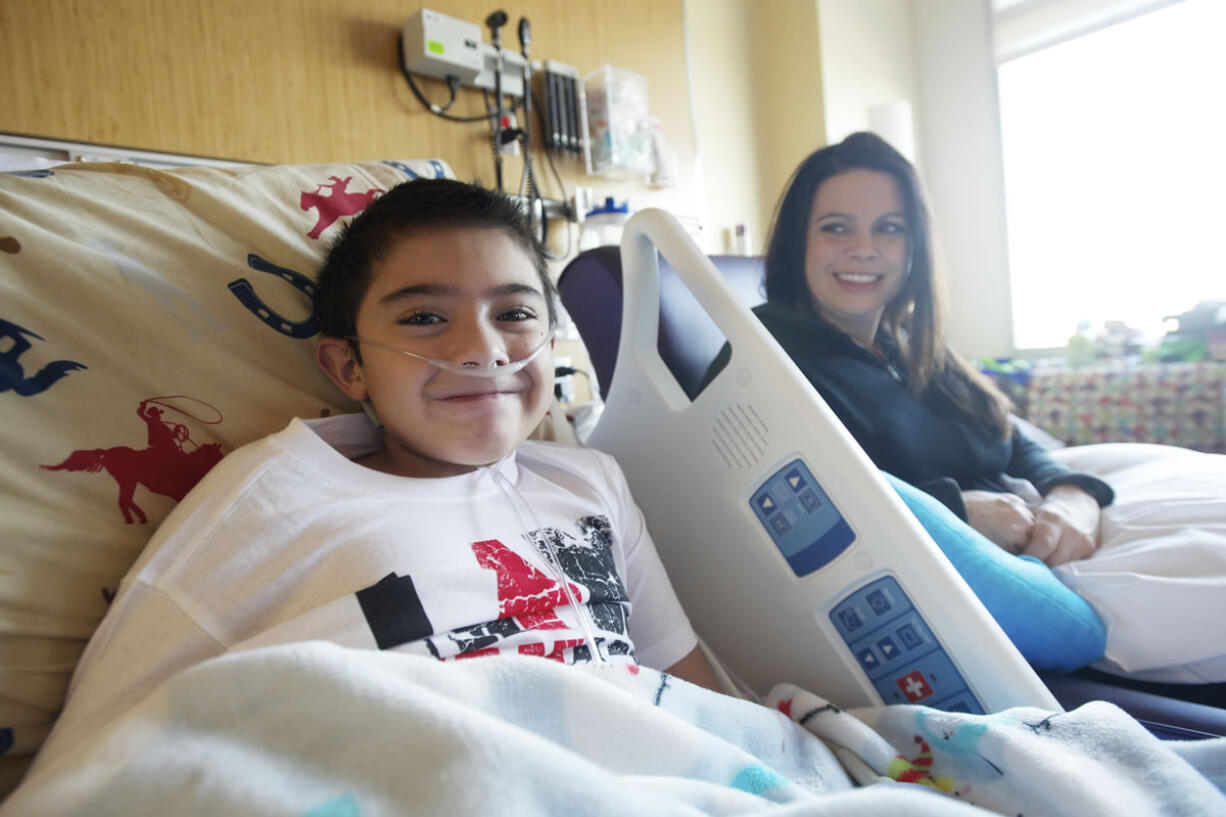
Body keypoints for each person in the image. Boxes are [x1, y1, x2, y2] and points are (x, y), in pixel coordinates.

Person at [32, 178, 720, 773]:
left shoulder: (591, 483)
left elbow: (699, 704)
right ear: (348, 366)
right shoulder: (276, 496)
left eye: (514, 313)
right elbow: (102, 752)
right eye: (424, 317)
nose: (483, 349)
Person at [707, 132, 1113, 568]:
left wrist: (1073, 495)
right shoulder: (760, 360)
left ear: (914, 246)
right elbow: (777, 515)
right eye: (836, 228)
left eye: (890, 228)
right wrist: (953, 512)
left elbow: (1006, 434)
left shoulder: (906, 341)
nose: (863, 249)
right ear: (797, 242)